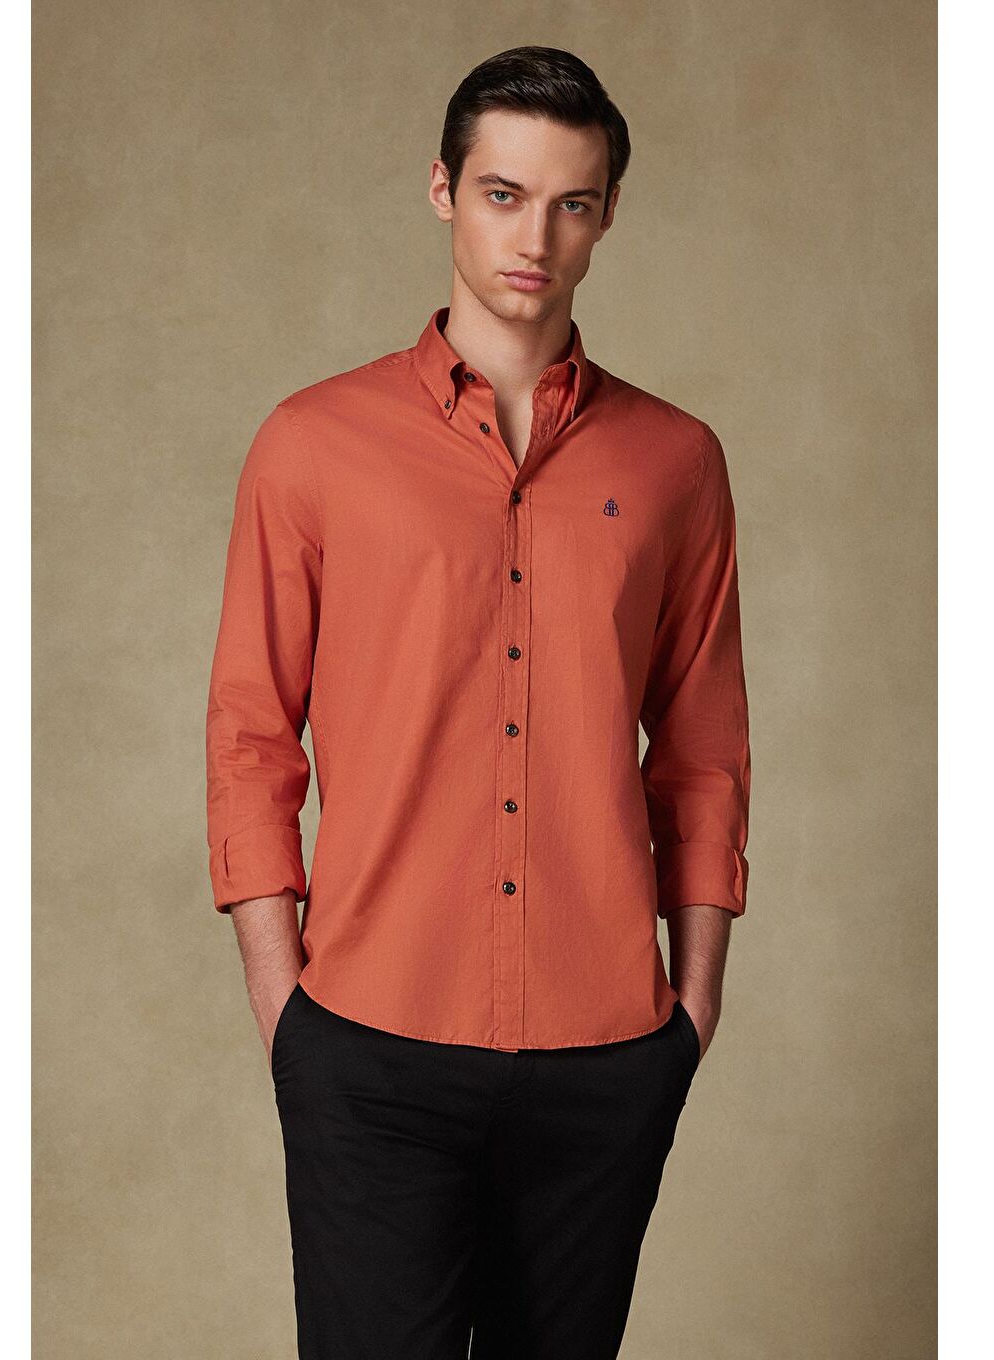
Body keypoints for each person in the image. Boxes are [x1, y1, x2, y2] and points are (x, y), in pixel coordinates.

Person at [205, 44, 751, 1360]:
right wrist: (287, 1014)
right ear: (444, 191)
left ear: (607, 216)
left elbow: (702, 751)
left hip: (605, 1051)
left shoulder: (676, 464)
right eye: (504, 195)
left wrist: (693, 1008)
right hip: (367, 1043)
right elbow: (250, 739)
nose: (535, 238)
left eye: (572, 203)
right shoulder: (312, 445)